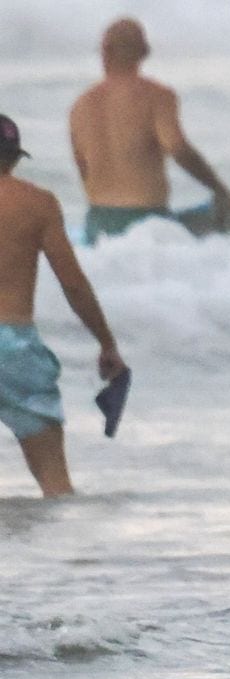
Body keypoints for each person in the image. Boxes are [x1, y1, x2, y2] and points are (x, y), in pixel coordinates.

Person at [0, 114, 127, 497]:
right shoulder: (37, 203)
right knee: (57, 488)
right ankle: (64, 556)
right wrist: (106, 343)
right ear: (14, 158)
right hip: (15, 349)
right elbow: (72, 283)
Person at [69, 17, 230, 245]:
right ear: (144, 53)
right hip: (147, 224)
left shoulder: (80, 106)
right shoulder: (157, 96)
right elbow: (178, 149)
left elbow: (83, 168)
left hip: (97, 225)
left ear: (104, 52)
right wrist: (222, 192)